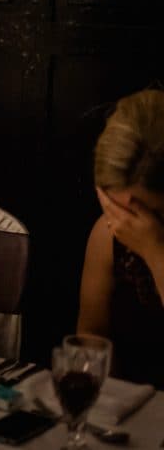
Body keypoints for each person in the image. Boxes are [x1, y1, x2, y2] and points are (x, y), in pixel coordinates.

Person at [77, 88, 164, 387]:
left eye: (141, 211)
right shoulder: (109, 232)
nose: (123, 222)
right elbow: (91, 336)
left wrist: (155, 252)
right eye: (114, 205)